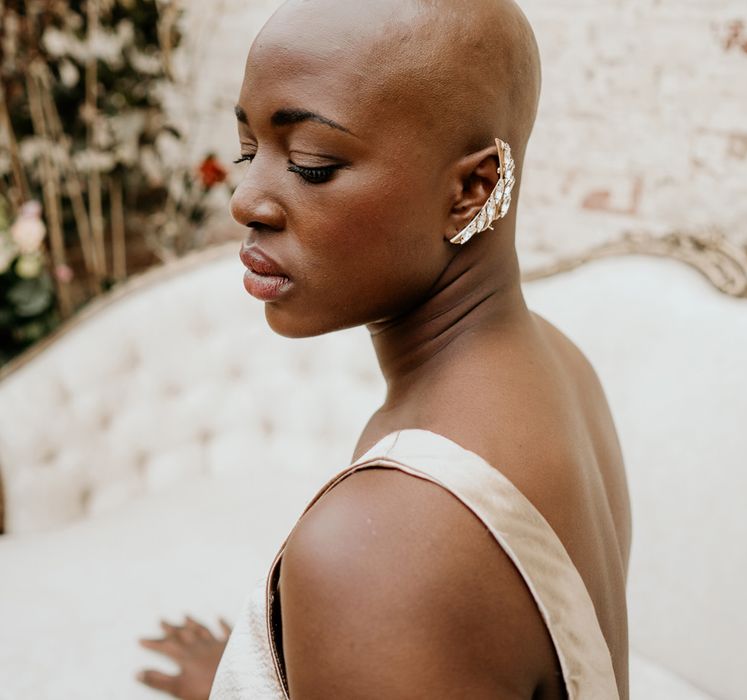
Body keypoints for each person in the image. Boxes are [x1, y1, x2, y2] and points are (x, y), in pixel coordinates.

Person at [137, 0, 632, 697]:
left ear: (470, 190)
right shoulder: (560, 366)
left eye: (309, 162)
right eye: (250, 149)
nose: (246, 199)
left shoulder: (388, 541)